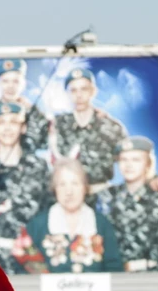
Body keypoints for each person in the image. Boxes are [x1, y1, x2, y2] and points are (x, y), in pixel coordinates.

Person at [0, 102, 48, 272]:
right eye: (1, 122)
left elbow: (47, 211)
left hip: (31, 256)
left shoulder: (38, 167)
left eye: (13, 122)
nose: (7, 128)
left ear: (23, 127)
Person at [13, 159, 122, 274]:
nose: (69, 192)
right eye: (62, 184)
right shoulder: (37, 225)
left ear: (85, 188)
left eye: (75, 184)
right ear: (55, 189)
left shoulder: (101, 224)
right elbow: (23, 271)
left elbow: (114, 270)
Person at [99, 136, 158, 272]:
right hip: (115, 277)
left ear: (148, 163)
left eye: (136, 160)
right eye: (124, 159)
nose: (129, 165)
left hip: (153, 279)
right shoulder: (106, 196)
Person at [49, 68, 127, 196]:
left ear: (93, 91)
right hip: (68, 196)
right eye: (73, 90)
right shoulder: (57, 124)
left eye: (84, 89)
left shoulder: (111, 126)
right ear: (66, 94)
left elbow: (129, 162)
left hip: (101, 194)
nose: (79, 95)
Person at [0, 58, 48, 153]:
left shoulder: (32, 112)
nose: (10, 86)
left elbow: (42, 142)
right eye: (5, 81)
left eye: (16, 81)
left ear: (23, 84)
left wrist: (34, 114)